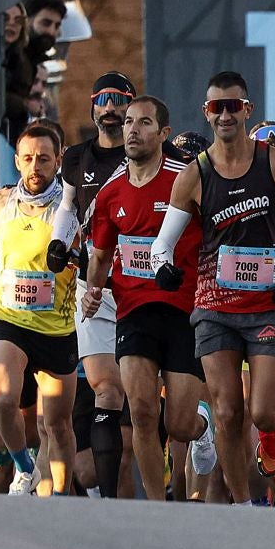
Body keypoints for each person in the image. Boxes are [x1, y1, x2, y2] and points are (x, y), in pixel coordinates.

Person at [149, 70, 275, 505]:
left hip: (268, 306)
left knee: (264, 410)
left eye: (233, 106)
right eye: (216, 107)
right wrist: (163, 268)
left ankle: (268, 435)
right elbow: (161, 244)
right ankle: (243, 504)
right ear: (206, 114)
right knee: (227, 412)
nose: (225, 114)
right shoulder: (194, 174)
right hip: (214, 308)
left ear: (247, 110)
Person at [86, 94, 217, 499]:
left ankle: (201, 428)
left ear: (163, 133)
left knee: (177, 424)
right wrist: (93, 290)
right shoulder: (110, 193)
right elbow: (102, 253)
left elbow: (220, 233)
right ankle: (157, 508)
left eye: (143, 123)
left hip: (184, 311)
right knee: (141, 411)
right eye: (127, 122)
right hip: (134, 310)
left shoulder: (188, 178)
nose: (132, 130)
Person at [0, 124, 79, 496]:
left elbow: (94, 257)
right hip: (9, 319)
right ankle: (24, 469)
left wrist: (78, 263)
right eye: (28, 158)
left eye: (43, 158)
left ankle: (61, 496)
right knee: (3, 401)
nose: (35, 166)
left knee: (57, 425)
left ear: (59, 160)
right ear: (16, 161)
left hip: (55, 327)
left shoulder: (72, 208)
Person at [52, 71, 135, 496]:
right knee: (106, 387)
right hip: (94, 285)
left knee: (145, 402)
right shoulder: (76, 158)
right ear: (92, 105)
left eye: (119, 100)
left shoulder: (151, 154)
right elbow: (67, 207)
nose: (110, 108)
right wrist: (57, 240)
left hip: (144, 287)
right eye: (103, 99)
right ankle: (109, 503)